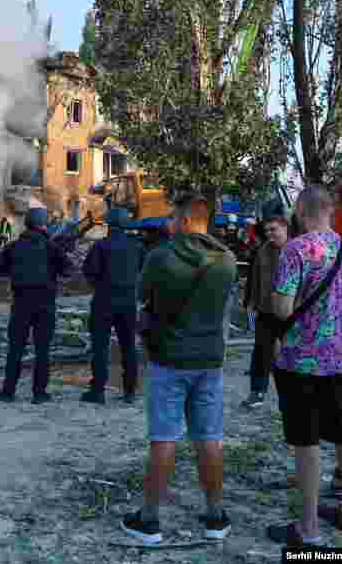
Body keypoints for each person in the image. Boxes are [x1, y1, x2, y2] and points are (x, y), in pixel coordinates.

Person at [123, 195, 236, 544]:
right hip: (209, 361)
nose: (168, 223)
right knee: (209, 437)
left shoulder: (161, 256)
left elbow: (142, 296)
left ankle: (150, 520)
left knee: (164, 438)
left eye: (173, 217)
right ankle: (216, 517)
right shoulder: (227, 260)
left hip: (168, 359)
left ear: (186, 220)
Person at [266, 185, 342, 546]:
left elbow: (281, 309)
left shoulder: (296, 249)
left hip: (299, 364)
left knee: (307, 443)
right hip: (337, 362)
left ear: (299, 210)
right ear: (330, 210)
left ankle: (308, 527)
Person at [0, 207, 71, 404]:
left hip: (20, 303)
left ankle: (8, 391)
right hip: (45, 304)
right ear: (43, 225)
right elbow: (68, 271)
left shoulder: (12, 247)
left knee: (16, 348)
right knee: (42, 350)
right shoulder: (51, 247)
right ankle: (39, 393)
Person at [81, 207, 143, 405]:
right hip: (128, 302)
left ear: (108, 223)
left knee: (100, 347)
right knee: (129, 347)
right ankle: (130, 391)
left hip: (103, 301)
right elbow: (143, 270)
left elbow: (89, 271)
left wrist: (100, 284)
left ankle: (97, 391)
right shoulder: (137, 246)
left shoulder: (101, 246)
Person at [241, 215, 288, 409]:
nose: (269, 234)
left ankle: (291, 394)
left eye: (273, 229)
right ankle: (257, 392)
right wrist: (251, 300)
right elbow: (255, 276)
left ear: (285, 228)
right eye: (267, 230)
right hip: (265, 310)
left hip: (289, 312)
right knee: (261, 351)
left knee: (289, 354)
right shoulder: (263, 250)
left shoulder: (296, 249)